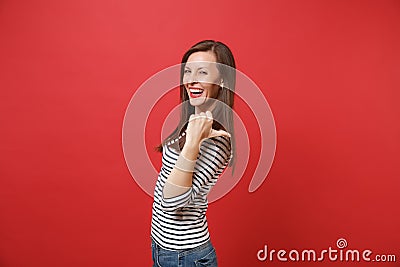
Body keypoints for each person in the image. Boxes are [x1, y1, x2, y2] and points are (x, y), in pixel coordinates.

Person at [151, 40, 236, 267]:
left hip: (185, 257)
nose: (191, 80)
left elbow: (172, 202)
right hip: (163, 248)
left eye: (202, 72)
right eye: (187, 71)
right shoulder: (189, 122)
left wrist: (192, 145)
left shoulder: (217, 141)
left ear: (221, 80)